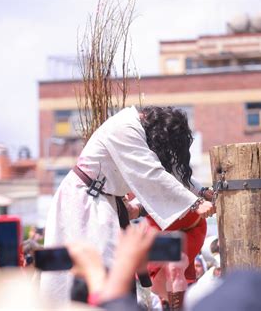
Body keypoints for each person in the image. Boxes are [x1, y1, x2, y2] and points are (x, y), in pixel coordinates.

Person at [41, 106, 215, 301]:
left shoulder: (138, 130)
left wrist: (200, 191)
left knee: (108, 272)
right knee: (87, 274)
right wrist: (195, 203)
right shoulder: (125, 127)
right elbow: (151, 173)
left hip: (102, 201)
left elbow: (168, 171)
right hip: (83, 203)